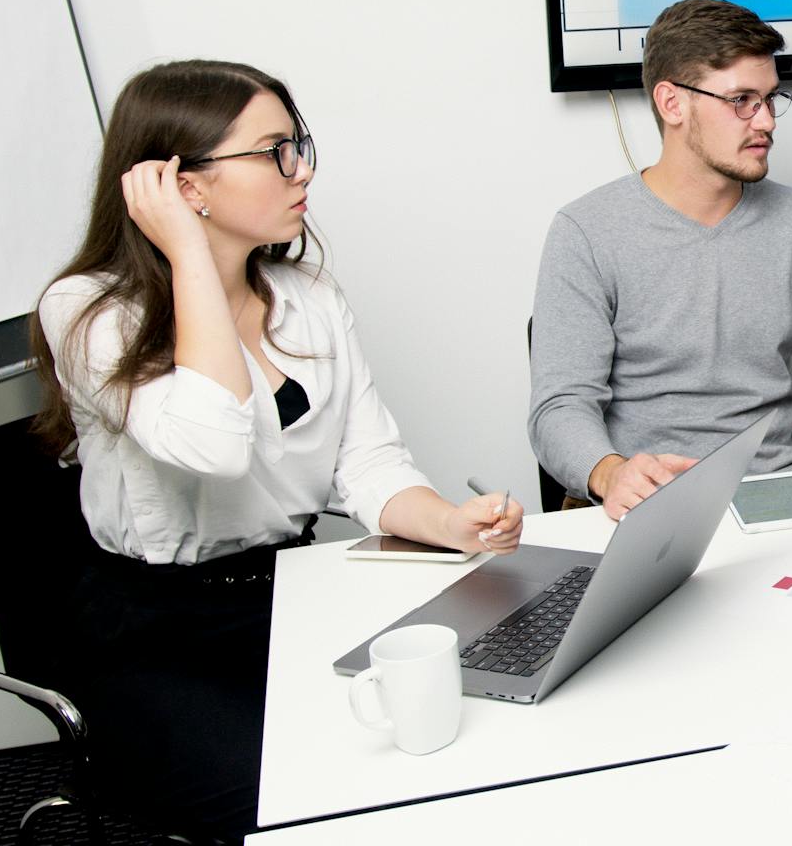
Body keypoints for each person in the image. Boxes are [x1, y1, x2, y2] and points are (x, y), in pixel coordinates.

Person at [32, 60, 524, 841]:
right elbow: (212, 446)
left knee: (446, 753)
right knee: (304, 812)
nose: (303, 171)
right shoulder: (90, 313)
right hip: (156, 629)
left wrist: (449, 522)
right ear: (183, 187)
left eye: (300, 145)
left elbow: (366, 464)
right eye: (275, 152)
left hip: (293, 592)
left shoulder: (310, 299)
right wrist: (193, 258)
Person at [529, 0, 792, 520]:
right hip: (653, 505)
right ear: (672, 103)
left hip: (782, 495)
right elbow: (560, 406)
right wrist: (610, 472)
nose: (767, 122)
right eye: (742, 100)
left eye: (772, 99)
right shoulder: (586, 232)